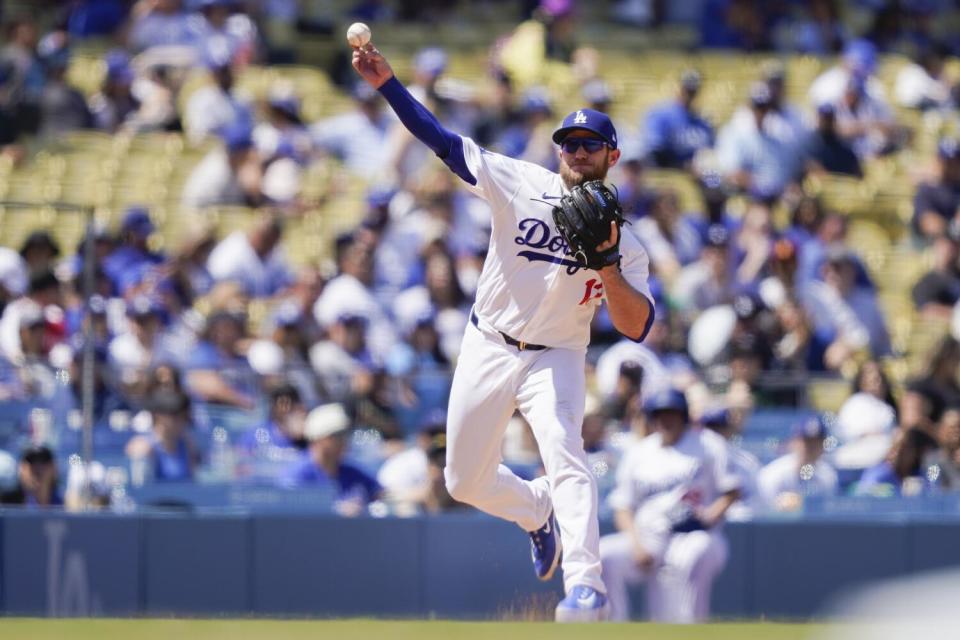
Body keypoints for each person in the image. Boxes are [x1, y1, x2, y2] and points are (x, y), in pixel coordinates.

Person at [352, 39, 655, 622]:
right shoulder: (518, 182)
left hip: (557, 356)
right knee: (464, 480)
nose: (577, 152)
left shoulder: (628, 243)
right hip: (488, 341)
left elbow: (636, 326)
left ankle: (585, 589)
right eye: (569, 143)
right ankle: (535, 512)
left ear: (611, 157)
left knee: (567, 452)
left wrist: (609, 267)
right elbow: (441, 141)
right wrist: (388, 84)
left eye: (590, 145)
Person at [600, 389, 740, 622]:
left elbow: (732, 491)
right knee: (606, 555)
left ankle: (689, 630)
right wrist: (636, 546)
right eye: (659, 414)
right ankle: (616, 627)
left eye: (672, 413)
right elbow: (622, 506)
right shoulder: (639, 452)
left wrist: (708, 516)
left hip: (694, 534)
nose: (666, 419)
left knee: (694, 554)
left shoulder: (708, 445)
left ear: (684, 415)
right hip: (649, 538)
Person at [280, 402, 382, 516]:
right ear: (318, 438)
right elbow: (291, 512)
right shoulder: (298, 475)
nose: (344, 440)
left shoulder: (352, 472)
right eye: (337, 435)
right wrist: (336, 511)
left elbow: (381, 494)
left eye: (345, 434)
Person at [757, 416, 839, 512]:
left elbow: (828, 513)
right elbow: (762, 513)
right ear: (794, 442)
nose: (811, 447)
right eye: (807, 442)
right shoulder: (773, 474)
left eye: (816, 442)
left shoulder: (828, 475)